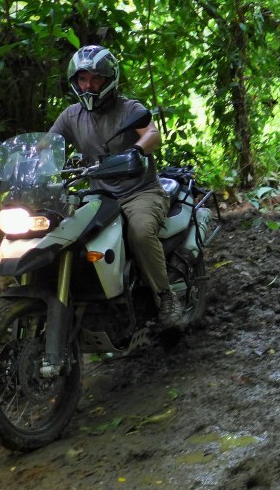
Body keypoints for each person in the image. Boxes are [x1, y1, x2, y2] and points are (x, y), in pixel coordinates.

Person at [49, 45, 181, 327]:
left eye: (95, 79)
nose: (88, 86)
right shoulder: (71, 115)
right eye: (83, 79)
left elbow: (152, 134)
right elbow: (46, 146)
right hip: (98, 195)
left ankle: (166, 297)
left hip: (140, 192)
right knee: (68, 234)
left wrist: (136, 150)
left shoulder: (130, 109)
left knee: (141, 232)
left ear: (109, 79)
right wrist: (22, 162)